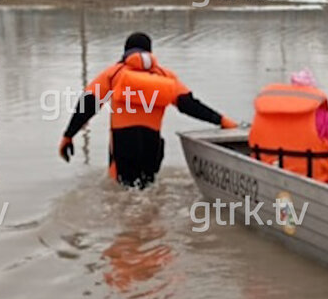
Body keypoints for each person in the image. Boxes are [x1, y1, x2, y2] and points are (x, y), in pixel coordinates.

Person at [59, 32, 238, 188]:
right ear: (150, 52)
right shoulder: (165, 76)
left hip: (123, 143)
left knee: (124, 193)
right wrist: (222, 120)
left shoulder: (114, 73)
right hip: (151, 143)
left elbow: (87, 105)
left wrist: (68, 136)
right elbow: (190, 105)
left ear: (125, 52)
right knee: (147, 188)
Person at [247, 69, 328, 183]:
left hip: (268, 169)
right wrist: (321, 146)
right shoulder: (323, 115)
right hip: (313, 176)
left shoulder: (269, 110)